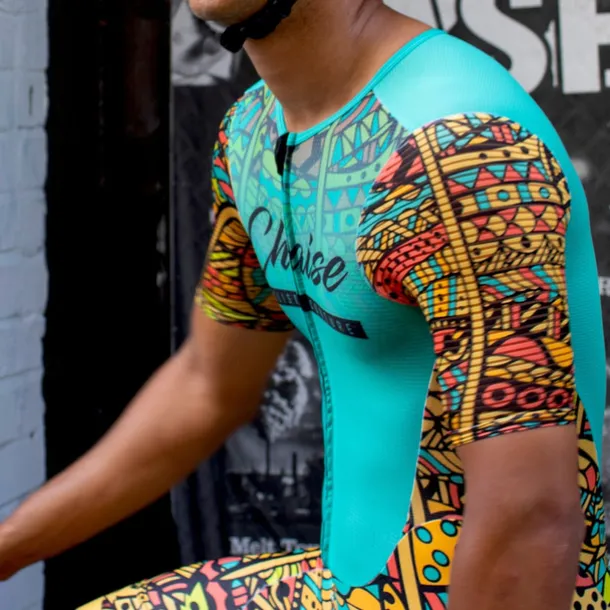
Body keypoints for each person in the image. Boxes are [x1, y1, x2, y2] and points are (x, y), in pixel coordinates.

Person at [0, 0, 607, 608]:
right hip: (351, 584)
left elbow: (529, 520)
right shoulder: (252, 133)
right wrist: (9, 548)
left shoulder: (464, 147)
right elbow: (208, 385)